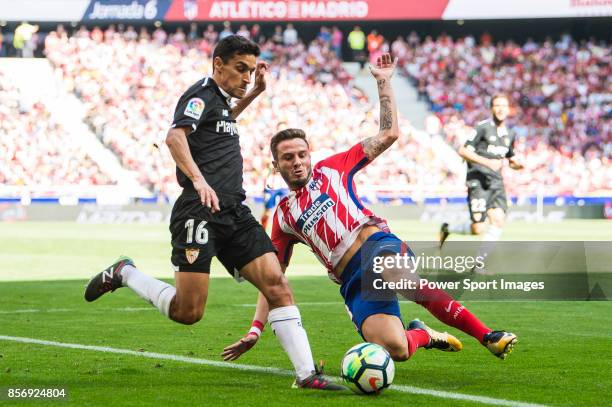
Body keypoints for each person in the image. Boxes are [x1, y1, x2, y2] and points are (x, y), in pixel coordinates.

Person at [84, 35, 343, 391]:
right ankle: (125, 272)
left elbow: (218, 124)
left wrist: (256, 93)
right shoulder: (200, 94)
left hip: (234, 211)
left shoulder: (220, 103)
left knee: (277, 284)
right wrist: (199, 180)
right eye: (241, 69)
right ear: (217, 64)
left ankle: (306, 376)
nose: (246, 77)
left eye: (251, 71)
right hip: (199, 210)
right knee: (188, 312)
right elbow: (175, 137)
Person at [223, 54, 517, 364]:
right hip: (352, 279)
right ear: (276, 165)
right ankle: (423, 334)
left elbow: (389, 134)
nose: (297, 162)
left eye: (301, 155)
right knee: (396, 349)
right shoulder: (284, 216)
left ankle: (488, 335)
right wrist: (255, 328)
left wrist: (383, 82)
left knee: (393, 272)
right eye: (288, 158)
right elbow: (273, 279)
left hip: (379, 247)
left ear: (310, 155)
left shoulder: (334, 168)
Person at [439, 94, 524, 248]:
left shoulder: (510, 134)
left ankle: (479, 265)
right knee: (478, 228)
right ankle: (448, 228)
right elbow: (463, 151)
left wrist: (517, 165)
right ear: (492, 108)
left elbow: (509, 158)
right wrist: (487, 162)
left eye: (503, 106)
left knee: (498, 220)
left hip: (496, 182)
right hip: (477, 180)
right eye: (497, 105)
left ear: (508, 109)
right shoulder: (482, 127)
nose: (500, 109)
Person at [260, 164, 289, 230]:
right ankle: (263, 229)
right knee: (267, 210)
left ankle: (284, 230)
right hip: (270, 189)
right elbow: (264, 173)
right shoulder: (268, 159)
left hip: (283, 187)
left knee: (285, 209)